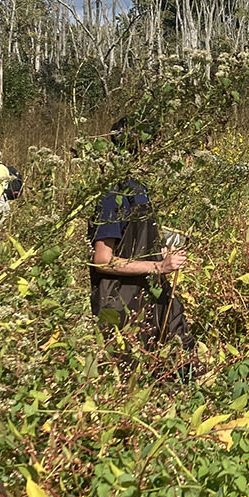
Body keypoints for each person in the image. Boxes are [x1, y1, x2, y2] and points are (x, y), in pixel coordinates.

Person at [89, 125, 190, 352]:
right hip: (121, 304)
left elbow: (137, 236)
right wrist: (158, 266)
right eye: (152, 145)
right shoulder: (113, 195)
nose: (159, 151)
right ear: (140, 148)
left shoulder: (139, 188)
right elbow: (102, 260)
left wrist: (163, 246)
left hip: (148, 295)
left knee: (180, 357)